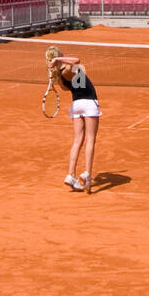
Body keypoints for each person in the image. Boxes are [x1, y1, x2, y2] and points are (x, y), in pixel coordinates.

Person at [46, 45, 100, 194]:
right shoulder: (70, 68)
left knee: (77, 141)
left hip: (76, 105)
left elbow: (66, 89)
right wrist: (59, 59)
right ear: (57, 56)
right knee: (90, 140)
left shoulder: (60, 76)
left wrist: (55, 66)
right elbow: (77, 59)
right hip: (89, 103)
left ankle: (71, 175)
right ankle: (87, 174)